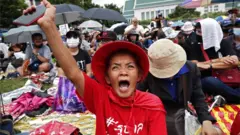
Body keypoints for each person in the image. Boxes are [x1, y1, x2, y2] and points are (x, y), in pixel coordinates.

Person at [23, 1, 168, 134]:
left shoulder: (152, 105)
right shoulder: (101, 98)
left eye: (130, 66)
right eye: (115, 67)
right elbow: (73, 73)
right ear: (107, 78)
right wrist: (49, 26)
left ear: (139, 75)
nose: (123, 72)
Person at [137, 39, 220, 135]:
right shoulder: (148, 73)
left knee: (215, 132)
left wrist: (206, 120)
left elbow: (198, 97)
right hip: (159, 115)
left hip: (183, 114)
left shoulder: (191, 69)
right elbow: (137, 95)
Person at [186, 18, 240, 103]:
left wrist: (209, 65)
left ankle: (228, 97)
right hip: (205, 80)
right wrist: (219, 60)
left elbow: (235, 62)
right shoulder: (195, 45)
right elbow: (194, 65)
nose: (197, 34)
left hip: (227, 78)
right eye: (197, 31)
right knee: (210, 81)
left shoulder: (222, 43)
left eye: (200, 32)